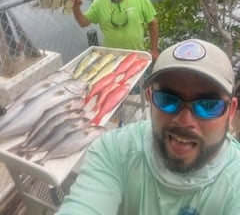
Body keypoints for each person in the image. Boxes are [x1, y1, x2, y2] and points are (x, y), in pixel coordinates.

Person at [56, 39, 240, 215]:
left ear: (231, 111)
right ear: (151, 99)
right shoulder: (115, 150)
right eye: (167, 99)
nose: (184, 120)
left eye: (208, 105)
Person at [70, 0, 159, 61]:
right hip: (110, 58)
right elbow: (83, 23)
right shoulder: (99, 2)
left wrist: (154, 50)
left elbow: (152, 23)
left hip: (136, 57)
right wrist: (76, 8)